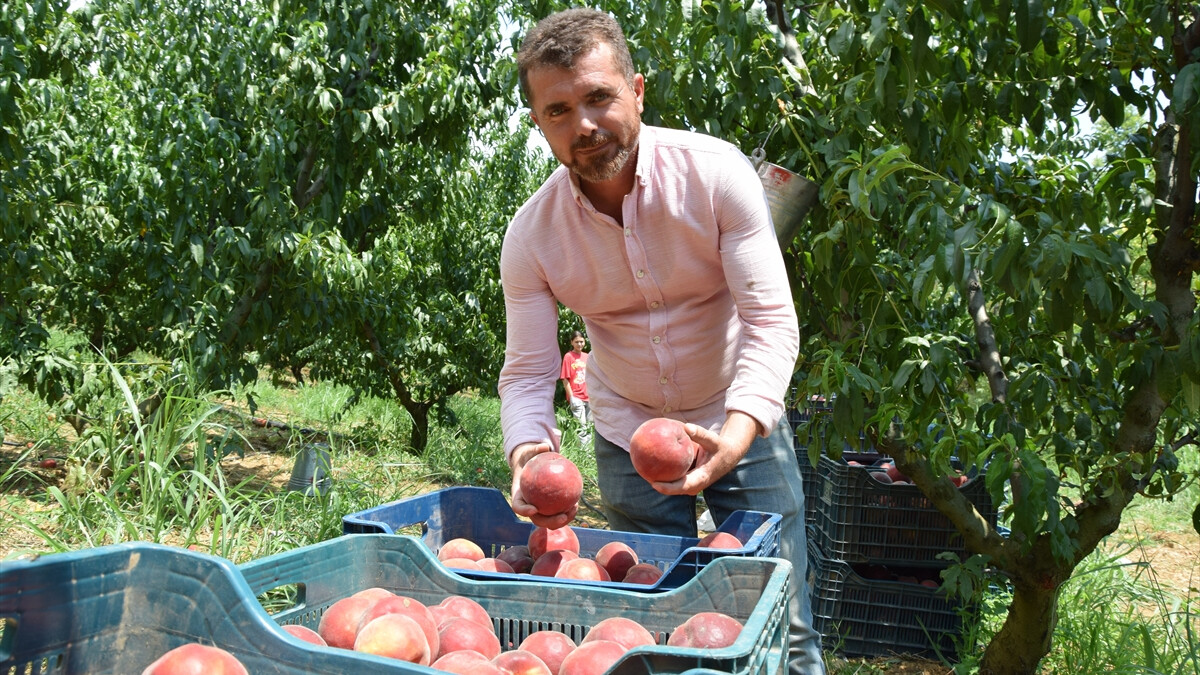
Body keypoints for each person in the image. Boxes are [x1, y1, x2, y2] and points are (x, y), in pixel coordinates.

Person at [496, 8, 824, 674]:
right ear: (539, 122)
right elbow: (529, 371)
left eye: (599, 97)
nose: (584, 125)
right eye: (558, 110)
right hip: (628, 431)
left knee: (780, 616)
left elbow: (769, 318)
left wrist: (737, 433)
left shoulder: (714, 175)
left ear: (638, 91)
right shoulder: (532, 236)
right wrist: (530, 452)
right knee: (653, 616)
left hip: (740, 416)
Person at [560, 330, 592, 446]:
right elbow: (565, 378)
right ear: (572, 342)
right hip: (577, 396)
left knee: (589, 426)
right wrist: (571, 397)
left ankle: (587, 451)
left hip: (588, 396)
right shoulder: (568, 356)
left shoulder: (587, 356)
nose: (580, 344)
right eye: (577, 342)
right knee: (582, 426)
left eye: (582, 341)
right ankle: (584, 452)